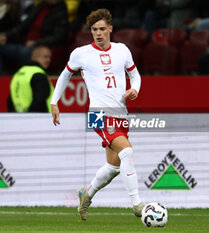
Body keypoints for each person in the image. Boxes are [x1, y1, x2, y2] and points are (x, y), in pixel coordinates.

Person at [50, 9, 144, 220]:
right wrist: (54, 102)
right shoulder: (81, 53)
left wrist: (134, 89)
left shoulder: (122, 50)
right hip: (98, 115)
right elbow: (65, 76)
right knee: (127, 152)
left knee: (113, 167)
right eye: (94, 30)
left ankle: (87, 194)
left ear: (110, 28)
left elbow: (135, 75)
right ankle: (137, 204)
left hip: (121, 114)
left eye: (102, 29)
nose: (98, 33)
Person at [0, 0, 68, 76]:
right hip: (24, 44)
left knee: (28, 52)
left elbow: (58, 37)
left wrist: (36, 43)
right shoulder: (40, 6)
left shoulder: (61, 11)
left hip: (39, 47)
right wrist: (5, 36)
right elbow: (22, 26)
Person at [7, 45, 54, 112]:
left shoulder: (18, 73)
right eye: (45, 57)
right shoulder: (39, 74)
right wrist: (30, 117)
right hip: (39, 119)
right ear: (34, 57)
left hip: (19, 119)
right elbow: (39, 100)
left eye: (49, 57)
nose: (48, 60)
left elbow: (10, 100)